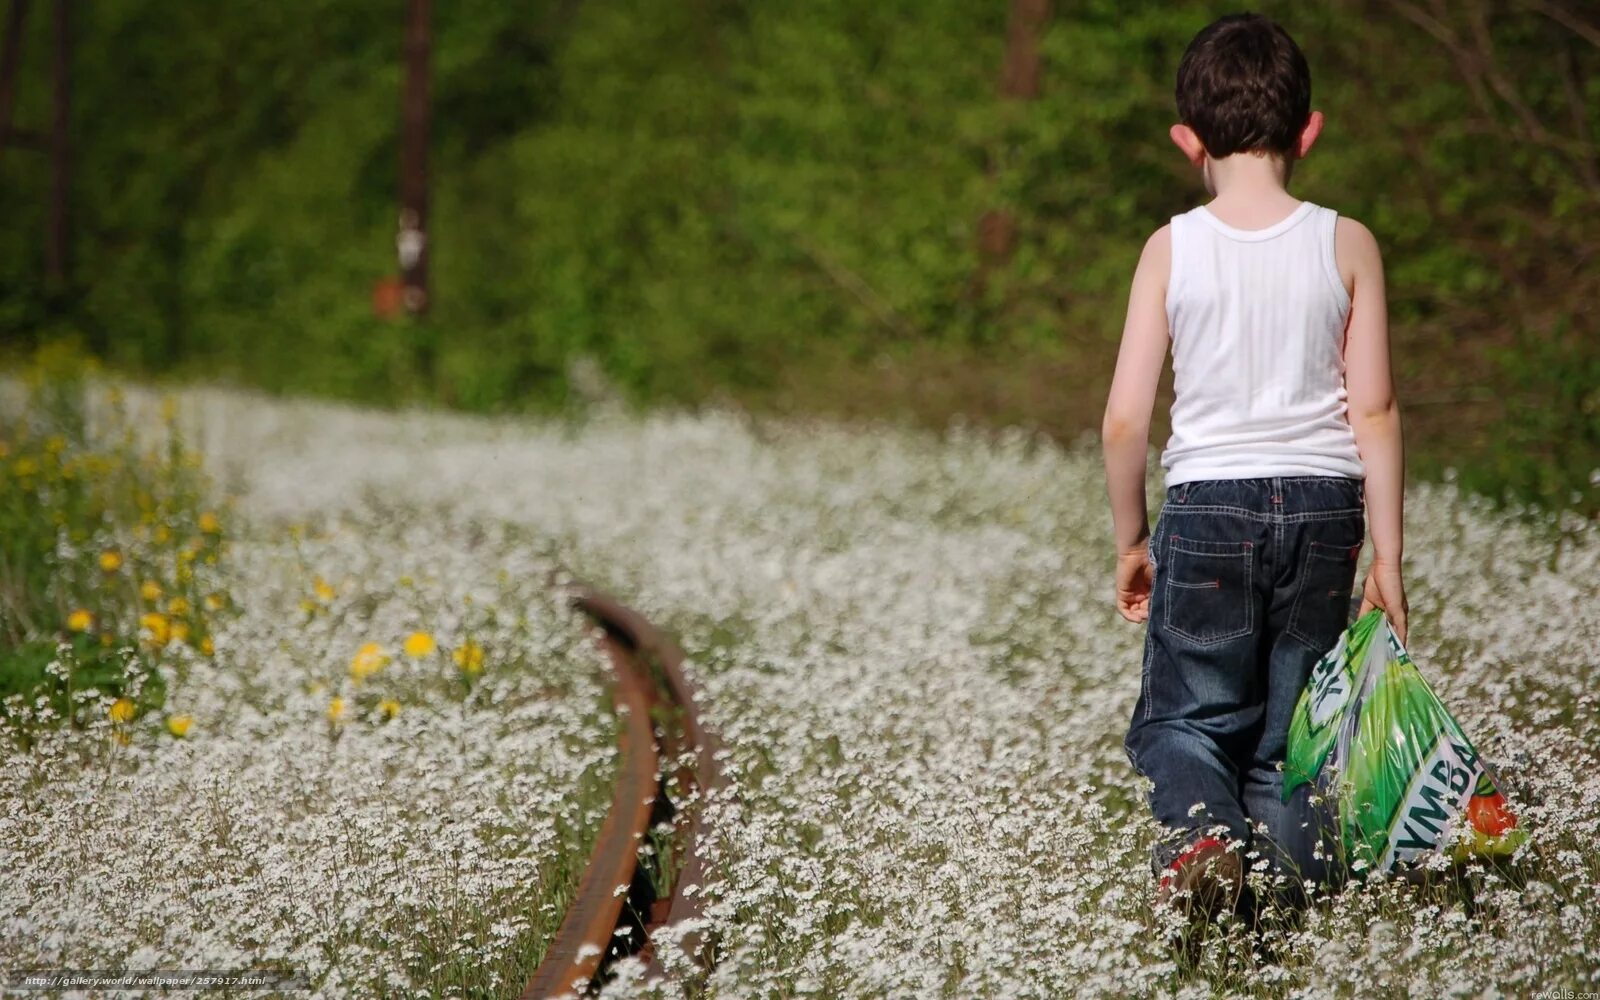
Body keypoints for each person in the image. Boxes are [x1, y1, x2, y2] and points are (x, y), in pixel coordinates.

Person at [1099, 12, 1410, 922]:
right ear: (1308, 132)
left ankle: (1203, 844)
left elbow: (1124, 420)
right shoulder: (1348, 243)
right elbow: (1377, 410)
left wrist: (1131, 538)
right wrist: (1386, 558)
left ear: (1186, 139)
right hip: (1326, 510)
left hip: (1206, 509)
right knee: (1287, 741)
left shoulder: (1172, 247)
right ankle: (1283, 922)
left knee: (1186, 721)